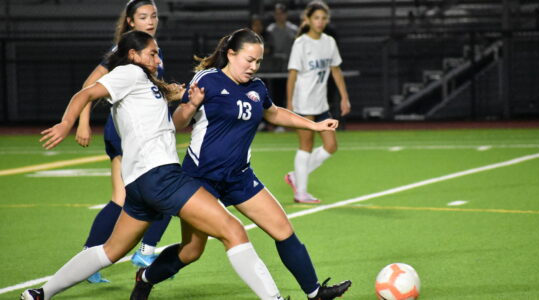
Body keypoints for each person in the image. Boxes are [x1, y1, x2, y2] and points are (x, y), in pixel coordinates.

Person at [22, 30, 287, 300]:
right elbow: (85, 94)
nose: (158, 58)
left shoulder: (145, 82)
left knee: (110, 251)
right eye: (152, 52)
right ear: (133, 55)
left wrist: (187, 98)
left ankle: (41, 293)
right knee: (233, 230)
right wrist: (68, 123)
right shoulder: (129, 73)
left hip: (138, 183)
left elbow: (160, 103)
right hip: (160, 175)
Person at [129, 28, 351, 300]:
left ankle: (315, 292)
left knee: (283, 229)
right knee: (192, 251)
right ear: (231, 54)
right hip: (200, 179)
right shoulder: (207, 80)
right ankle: (145, 278)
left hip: (239, 177)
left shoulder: (257, 87)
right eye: (249, 60)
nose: (253, 66)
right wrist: (188, 106)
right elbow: (176, 123)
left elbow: (275, 113)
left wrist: (314, 125)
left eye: (258, 61)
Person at [74, 0, 172, 283]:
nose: (150, 20)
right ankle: (146, 251)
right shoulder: (124, 51)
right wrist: (82, 121)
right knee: (168, 190)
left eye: (153, 15)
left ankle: (89, 259)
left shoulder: (150, 49)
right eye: (143, 16)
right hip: (128, 133)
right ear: (130, 21)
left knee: (120, 198)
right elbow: (90, 86)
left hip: (135, 132)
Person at [285, 1, 351, 204]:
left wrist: (344, 97)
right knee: (306, 145)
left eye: (323, 18)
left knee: (331, 145)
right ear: (308, 20)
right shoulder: (301, 43)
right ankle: (301, 193)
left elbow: (336, 70)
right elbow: (292, 75)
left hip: (321, 103)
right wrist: (289, 103)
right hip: (303, 102)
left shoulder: (329, 42)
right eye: (316, 18)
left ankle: (296, 175)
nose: (320, 22)